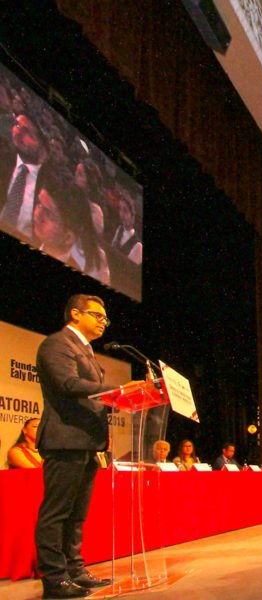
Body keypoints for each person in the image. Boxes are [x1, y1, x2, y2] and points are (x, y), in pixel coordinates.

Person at [35, 294, 136, 598]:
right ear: (76, 314)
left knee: (78, 514)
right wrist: (117, 390)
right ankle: (55, 578)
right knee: (57, 512)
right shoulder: (57, 344)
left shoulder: (87, 351)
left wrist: (121, 401)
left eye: (105, 318)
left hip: (88, 443)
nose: (103, 322)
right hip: (65, 439)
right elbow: (67, 384)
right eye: (97, 315)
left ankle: (75, 569)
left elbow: (92, 397)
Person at [0, 113, 49, 239]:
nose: (17, 132)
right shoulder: (4, 157)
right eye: (16, 125)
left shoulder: (49, 184)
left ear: (42, 144)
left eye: (26, 131)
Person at [110, 192, 142, 265]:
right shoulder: (119, 230)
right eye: (120, 209)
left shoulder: (138, 246)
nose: (121, 214)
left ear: (132, 215)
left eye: (125, 210)